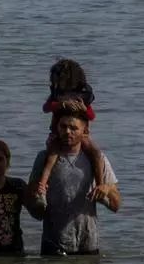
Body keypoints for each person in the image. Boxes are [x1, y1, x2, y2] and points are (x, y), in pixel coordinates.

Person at [27, 100, 121, 255]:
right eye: (63, 127)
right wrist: (36, 200)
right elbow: (35, 213)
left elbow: (116, 206)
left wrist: (106, 191)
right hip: (53, 245)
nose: (68, 132)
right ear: (56, 128)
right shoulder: (43, 158)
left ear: (85, 131)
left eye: (73, 128)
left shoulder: (97, 159)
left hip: (88, 244)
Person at [34, 58, 106, 196]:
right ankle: (42, 185)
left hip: (80, 136)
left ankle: (100, 186)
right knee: (51, 154)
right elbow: (45, 108)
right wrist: (60, 104)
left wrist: (84, 109)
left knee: (96, 153)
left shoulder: (82, 96)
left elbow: (91, 116)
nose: (55, 83)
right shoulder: (57, 97)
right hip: (57, 134)